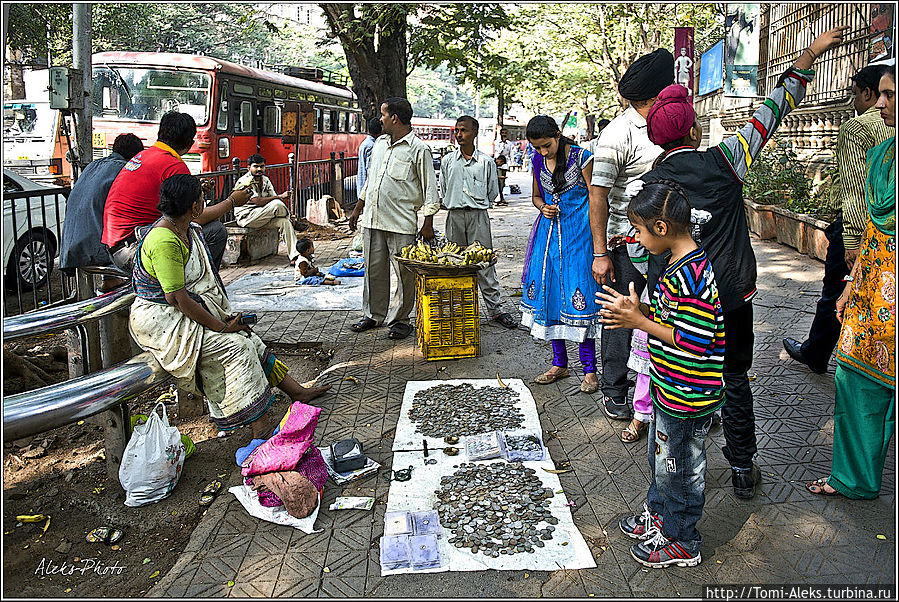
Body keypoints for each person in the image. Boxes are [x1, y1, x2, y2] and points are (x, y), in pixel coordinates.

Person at [640, 27, 846, 499]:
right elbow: (773, 109)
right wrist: (811, 53)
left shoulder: (653, 184)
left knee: (679, 380)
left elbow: (640, 248)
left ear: (656, 140)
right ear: (693, 129)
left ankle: (676, 478)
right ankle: (742, 465)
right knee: (734, 378)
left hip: (676, 307)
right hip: (732, 298)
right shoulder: (728, 158)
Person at [128, 174, 331, 437]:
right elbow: (177, 298)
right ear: (193, 206)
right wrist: (222, 327)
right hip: (162, 321)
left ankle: (296, 391)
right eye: (201, 199)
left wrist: (224, 323)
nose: (204, 202)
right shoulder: (164, 240)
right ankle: (260, 426)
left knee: (248, 335)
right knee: (237, 346)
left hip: (181, 311)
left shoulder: (182, 224)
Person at [598, 180, 725, 568]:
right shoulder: (676, 264)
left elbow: (694, 340)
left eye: (638, 230)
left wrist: (639, 320)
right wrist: (640, 313)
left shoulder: (691, 274)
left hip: (689, 393)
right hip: (668, 386)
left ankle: (682, 539)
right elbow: (673, 320)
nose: (634, 238)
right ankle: (659, 517)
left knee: (681, 469)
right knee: (661, 458)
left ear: (661, 228)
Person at [806, 66, 895, 499]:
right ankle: (854, 478)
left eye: (891, 96)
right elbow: (872, 222)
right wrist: (848, 284)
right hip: (876, 284)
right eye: (880, 95)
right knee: (856, 377)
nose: (882, 105)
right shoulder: (884, 155)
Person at [783, 64, 894, 373]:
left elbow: (857, 188)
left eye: (856, 95)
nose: (853, 102)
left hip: (866, 232)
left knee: (837, 291)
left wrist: (852, 240)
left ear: (868, 94)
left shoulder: (858, 128)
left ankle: (818, 353)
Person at [590, 48, 673, 421]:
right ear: (654, 97)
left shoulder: (670, 125)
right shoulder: (617, 133)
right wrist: (600, 252)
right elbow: (598, 193)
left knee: (662, 317)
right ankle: (614, 387)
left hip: (665, 245)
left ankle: (655, 391)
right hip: (625, 245)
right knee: (621, 315)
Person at [102, 111, 248, 271]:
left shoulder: (144, 155)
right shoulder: (173, 166)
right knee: (215, 231)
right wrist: (232, 201)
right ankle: (198, 287)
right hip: (133, 249)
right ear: (189, 143)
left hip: (114, 246)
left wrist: (195, 191)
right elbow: (193, 219)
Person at [520, 115, 601, 393]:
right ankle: (559, 363)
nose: (543, 152)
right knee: (551, 296)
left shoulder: (583, 158)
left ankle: (590, 370)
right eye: (537, 147)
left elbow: (596, 197)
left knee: (580, 298)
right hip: (548, 237)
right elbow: (536, 196)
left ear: (558, 134)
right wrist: (542, 207)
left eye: (547, 146)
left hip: (579, 236)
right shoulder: (537, 161)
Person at [347, 97, 439, 340]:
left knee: (404, 274)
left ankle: (400, 319)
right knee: (374, 271)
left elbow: (430, 188)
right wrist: (358, 208)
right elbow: (371, 181)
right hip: (373, 219)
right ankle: (373, 314)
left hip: (401, 223)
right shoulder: (379, 145)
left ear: (395, 118)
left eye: (383, 115)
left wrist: (427, 222)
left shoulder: (419, 149)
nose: (380, 119)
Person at [440, 115, 517, 330]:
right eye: (456, 130)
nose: (459, 134)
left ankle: (495, 310)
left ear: (474, 132)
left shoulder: (486, 162)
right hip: (454, 216)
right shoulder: (447, 161)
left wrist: (474, 203)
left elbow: (492, 192)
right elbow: (444, 190)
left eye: (463, 130)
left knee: (484, 263)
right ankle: (457, 311)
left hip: (478, 216)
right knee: (454, 263)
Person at [59, 133, 144, 282]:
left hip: (71, 247)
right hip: (96, 248)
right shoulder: (124, 170)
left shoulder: (93, 165)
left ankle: (109, 284)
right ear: (136, 156)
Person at [232, 154, 299, 264]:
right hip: (248, 217)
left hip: (264, 215)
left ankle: (294, 256)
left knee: (285, 222)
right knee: (277, 204)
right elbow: (257, 201)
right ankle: (293, 220)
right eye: (256, 166)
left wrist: (277, 199)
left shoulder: (265, 180)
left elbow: (271, 198)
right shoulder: (244, 181)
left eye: (262, 166)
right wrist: (280, 196)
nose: (259, 169)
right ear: (249, 167)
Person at [356, 117, 383, 199]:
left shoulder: (365, 143)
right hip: (367, 192)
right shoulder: (372, 146)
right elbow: (370, 170)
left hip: (362, 189)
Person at [494, 127, 516, 206]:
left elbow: (511, 154)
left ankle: (501, 197)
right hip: (498, 163)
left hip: (505, 164)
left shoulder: (509, 143)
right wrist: (502, 144)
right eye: (502, 133)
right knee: (499, 181)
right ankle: (499, 197)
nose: (504, 135)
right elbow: (498, 152)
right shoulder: (497, 142)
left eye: (505, 133)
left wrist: (511, 164)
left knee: (503, 182)